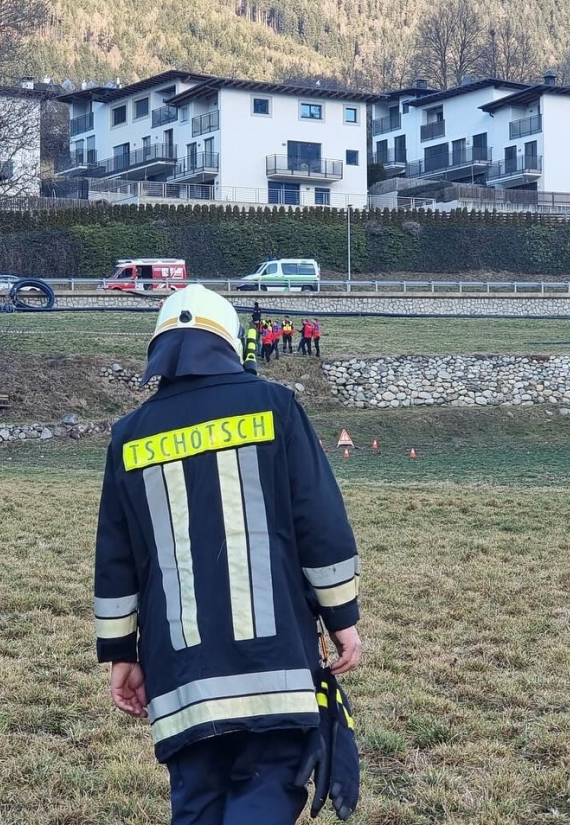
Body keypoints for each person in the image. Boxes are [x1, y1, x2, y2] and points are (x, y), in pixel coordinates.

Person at [93, 285, 363, 825]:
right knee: (265, 793)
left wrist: (122, 653)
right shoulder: (274, 406)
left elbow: (115, 561)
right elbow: (320, 522)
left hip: (180, 669)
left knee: (197, 805)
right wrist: (343, 620)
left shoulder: (130, 436)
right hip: (275, 662)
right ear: (230, 341)